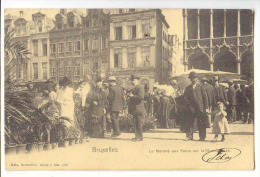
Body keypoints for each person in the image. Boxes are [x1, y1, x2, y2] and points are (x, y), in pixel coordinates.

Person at [182, 71, 209, 141]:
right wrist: (187, 106)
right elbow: (185, 97)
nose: (193, 79)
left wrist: (206, 107)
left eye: (194, 78)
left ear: (196, 78)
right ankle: (190, 136)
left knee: (201, 122)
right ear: (190, 79)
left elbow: (205, 97)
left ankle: (202, 137)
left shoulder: (200, 87)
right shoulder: (188, 88)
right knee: (190, 121)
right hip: (191, 108)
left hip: (200, 107)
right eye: (191, 78)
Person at [128, 74, 147, 142]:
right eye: (132, 80)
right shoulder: (135, 87)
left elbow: (140, 97)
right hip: (135, 108)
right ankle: (137, 136)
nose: (132, 82)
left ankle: (139, 137)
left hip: (138, 108)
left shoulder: (140, 87)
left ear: (137, 80)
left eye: (134, 80)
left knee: (138, 123)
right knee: (136, 123)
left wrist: (132, 96)